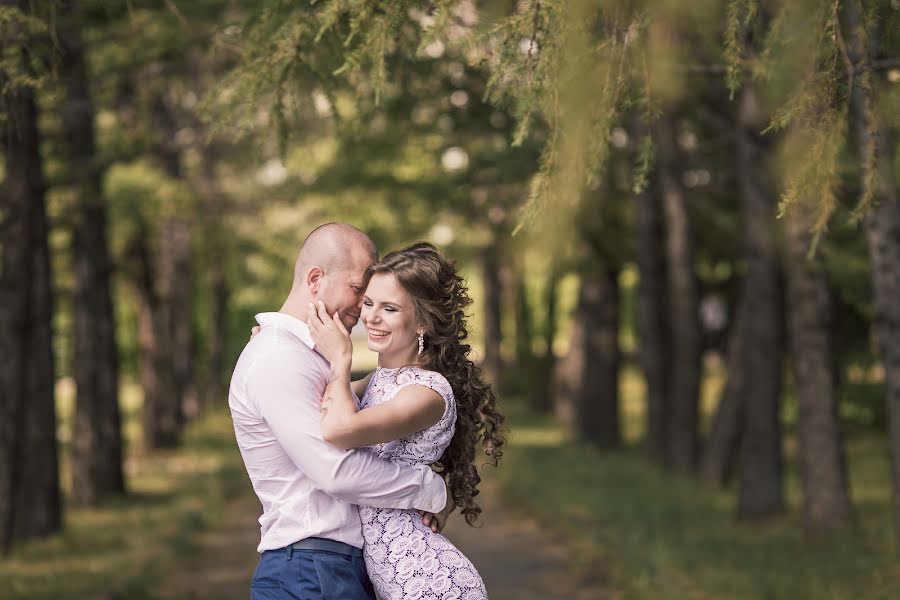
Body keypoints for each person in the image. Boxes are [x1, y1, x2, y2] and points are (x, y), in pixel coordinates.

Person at [229, 223, 453, 600]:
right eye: (357, 290)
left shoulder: (300, 356)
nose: (363, 308)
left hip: (327, 568)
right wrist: (430, 489)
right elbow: (337, 472)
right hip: (310, 569)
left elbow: (368, 402)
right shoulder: (279, 358)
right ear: (315, 279)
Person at [305, 241, 505, 600]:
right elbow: (314, 393)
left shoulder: (426, 393)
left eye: (390, 308)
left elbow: (338, 429)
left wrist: (341, 357)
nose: (371, 317)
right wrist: (278, 345)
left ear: (423, 322)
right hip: (394, 582)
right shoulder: (378, 381)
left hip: (430, 584)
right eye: (368, 303)